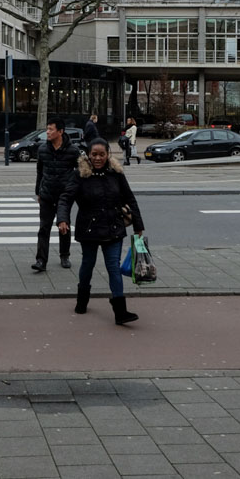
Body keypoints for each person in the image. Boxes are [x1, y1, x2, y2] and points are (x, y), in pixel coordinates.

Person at [57, 137, 144, 326]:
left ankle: (120, 311)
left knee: (113, 267)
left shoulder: (116, 173)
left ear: (108, 155)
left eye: (101, 154)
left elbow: (130, 197)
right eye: (94, 154)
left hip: (113, 227)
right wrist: (62, 219)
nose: (97, 158)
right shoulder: (80, 174)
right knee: (88, 264)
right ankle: (82, 300)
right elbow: (65, 198)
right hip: (89, 228)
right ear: (88, 155)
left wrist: (138, 225)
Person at [31, 116, 81, 273]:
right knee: (44, 228)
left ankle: (64, 255)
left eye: (51, 129)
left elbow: (80, 172)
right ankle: (41, 260)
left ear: (60, 131)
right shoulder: (43, 149)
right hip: (46, 194)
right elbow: (40, 171)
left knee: (63, 225)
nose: (48, 132)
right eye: (47, 129)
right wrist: (38, 191)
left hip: (64, 196)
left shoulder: (73, 151)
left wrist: (73, 189)